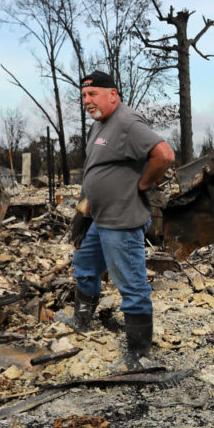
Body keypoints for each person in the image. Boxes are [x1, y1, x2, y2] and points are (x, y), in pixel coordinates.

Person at [62, 70, 175, 369]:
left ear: (113, 94)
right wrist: (82, 211)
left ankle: (139, 354)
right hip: (98, 217)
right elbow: (95, 170)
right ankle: (81, 320)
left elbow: (164, 155)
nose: (87, 100)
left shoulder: (127, 122)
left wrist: (143, 184)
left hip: (122, 220)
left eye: (93, 94)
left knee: (131, 284)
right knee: (85, 266)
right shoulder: (98, 126)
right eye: (84, 96)